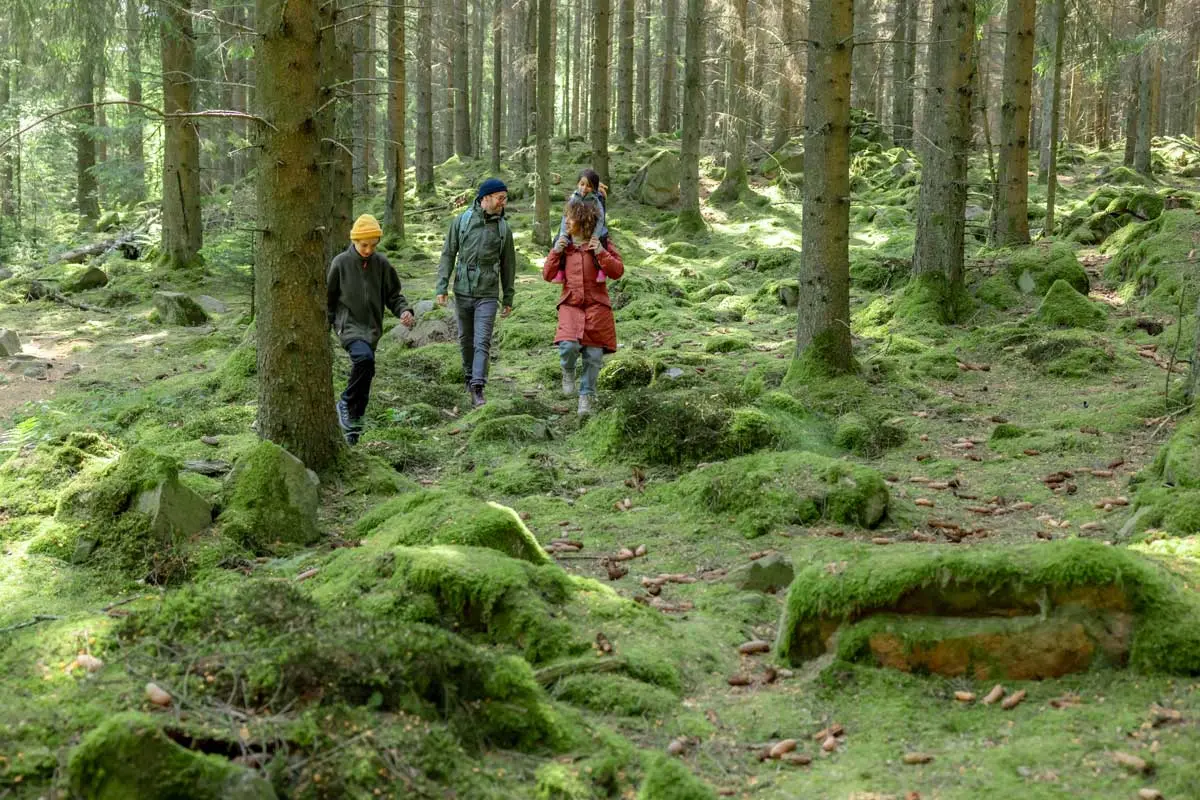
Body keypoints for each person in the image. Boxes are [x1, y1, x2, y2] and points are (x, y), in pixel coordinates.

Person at [327, 213, 414, 444]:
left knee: (365, 378)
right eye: (363, 245)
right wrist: (327, 325)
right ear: (354, 241)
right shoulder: (340, 263)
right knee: (364, 360)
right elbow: (328, 298)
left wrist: (404, 311)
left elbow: (394, 296)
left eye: (373, 245)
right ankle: (344, 401)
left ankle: (353, 431)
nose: (368, 250)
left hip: (373, 329)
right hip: (348, 326)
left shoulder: (382, 264)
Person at [436, 177, 516, 408]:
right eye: (500, 198)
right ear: (485, 198)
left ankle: (477, 387)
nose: (504, 202)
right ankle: (468, 376)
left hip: (488, 293)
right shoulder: (462, 221)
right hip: (462, 291)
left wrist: (508, 297)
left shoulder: (504, 229)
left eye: (505, 198)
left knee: (482, 341)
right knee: (465, 340)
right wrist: (442, 286)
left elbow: (508, 266)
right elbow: (448, 254)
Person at [543, 194, 625, 415]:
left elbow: (617, 271)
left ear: (583, 220)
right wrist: (556, 251)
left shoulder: (602, 243)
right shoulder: (564, 245)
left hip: (597, 306)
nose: (566, 222)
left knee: (594, 356)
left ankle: (586, 396)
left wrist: (601, 252)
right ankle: (568, 371)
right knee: (568, 346)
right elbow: (547, 275)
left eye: (570, 218)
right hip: (570, 303)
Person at [551, 168, 610, 284]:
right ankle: (561, 271)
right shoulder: (574, 198)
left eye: (588, 186)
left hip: (593, 230)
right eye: (582, 184)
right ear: (578, 183)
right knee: (559, 241)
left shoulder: (596, 200)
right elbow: (565, 217)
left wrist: (596, 235)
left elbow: (601, 219)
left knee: (603, 240)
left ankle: (601, 270)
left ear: (594, 187)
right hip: (575, 229)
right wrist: (563, 234)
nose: (584, 188)